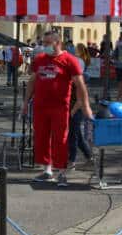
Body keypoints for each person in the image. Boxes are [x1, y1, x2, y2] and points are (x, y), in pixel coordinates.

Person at [23, 30, 93, 187]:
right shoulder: (39, 59)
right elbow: (32, 81)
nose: (44, 46)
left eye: (48, 43)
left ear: (58, 43)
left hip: (60, 107)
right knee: (41, 137)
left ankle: (61, 172)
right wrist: (25, 103)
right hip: (40, 107)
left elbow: (80, 85)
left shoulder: (69, 60)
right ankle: (47, 170)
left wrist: (86, 106)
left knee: (60, 139)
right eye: (43, 43)